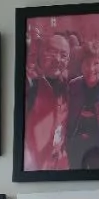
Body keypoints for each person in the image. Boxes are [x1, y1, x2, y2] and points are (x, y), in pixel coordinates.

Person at [23, 34, 72, 171]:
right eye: (52, 52)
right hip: (33, 169)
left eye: (63, 55)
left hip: (59, 167)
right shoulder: (29, 85)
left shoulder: (69, 87)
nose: (57, 59)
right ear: (40, 54)